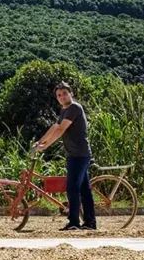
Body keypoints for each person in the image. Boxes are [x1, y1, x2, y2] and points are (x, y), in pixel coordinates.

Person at [33, 82, 97, 231]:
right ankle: (90, 222)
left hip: (79, 155)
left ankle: (74, 222)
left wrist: (46, 146)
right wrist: (40, 142)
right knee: (84, 190)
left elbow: (61, 129)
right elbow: (54, 127)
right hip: (75, 155)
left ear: (71, 94)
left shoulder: (74, 108)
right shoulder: (64, 110)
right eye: (58, 95)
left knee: (72, 188)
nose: (61, 97)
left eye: (64, 93)